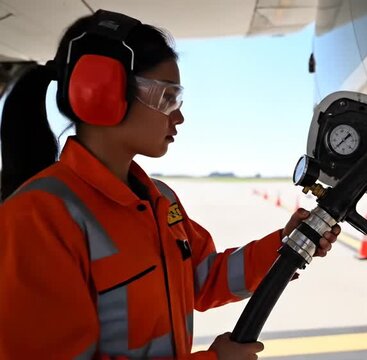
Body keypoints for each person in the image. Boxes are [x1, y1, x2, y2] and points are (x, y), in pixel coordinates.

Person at [0, 9, 340, 359]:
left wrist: (283, 246)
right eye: (167, 98)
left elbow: (202, 278)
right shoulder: (37, 218)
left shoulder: (158, 199)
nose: (178, 116)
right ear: (100, 92)